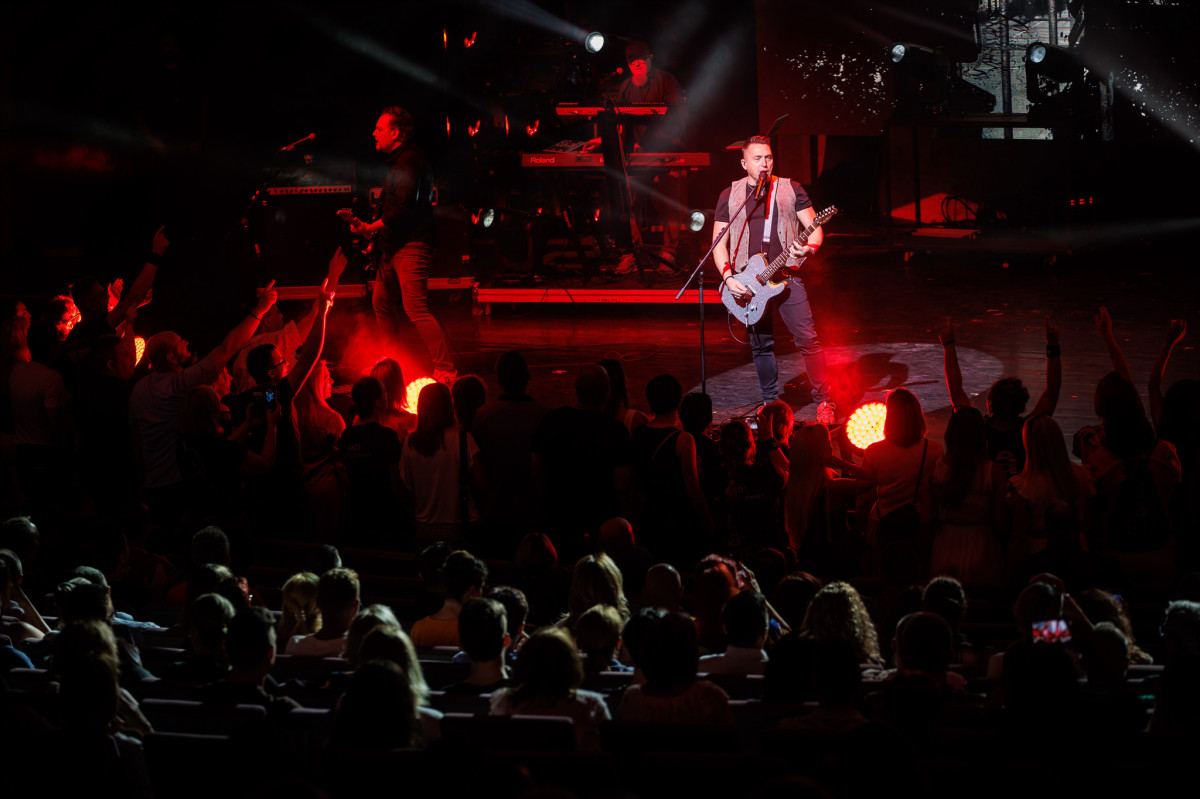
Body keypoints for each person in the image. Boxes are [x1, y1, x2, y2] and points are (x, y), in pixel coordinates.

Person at [712, 135, 832, 422]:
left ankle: (825, 402)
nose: (765, 164)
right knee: (761, 346)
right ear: (744, 163)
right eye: (757, 159)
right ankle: (771, 403)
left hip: (787, 276)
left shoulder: (791, 189)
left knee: (808, 340)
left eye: (768, 158)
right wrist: (728, 279)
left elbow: (814, 228)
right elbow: (718, 244)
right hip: (749, 283)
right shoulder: (730, 196)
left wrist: (809, 247)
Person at [347, 106, 455, 382]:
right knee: (381, 301)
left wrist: (372, 227)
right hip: (394, 245)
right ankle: (391, 366)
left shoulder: (410, 161)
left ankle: (445, 368)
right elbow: (394, 206)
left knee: (415, 307)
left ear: (395, 133)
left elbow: (406, 207)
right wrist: (370, 233)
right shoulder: (400, 161)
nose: (374, 133)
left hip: (412, 244)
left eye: (380, 129)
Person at [613, 40, 687, 275]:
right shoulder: (625, 87)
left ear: (650, 58)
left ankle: (669, 253)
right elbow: (621, 121)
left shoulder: (666, 80)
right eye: (632, 60)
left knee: (669, 200)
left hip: (668, 148)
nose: (637, 63)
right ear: (627, 63)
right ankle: (632, 253)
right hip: (641, 151)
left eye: (641, 58)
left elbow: (675, 115)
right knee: (629, 199)